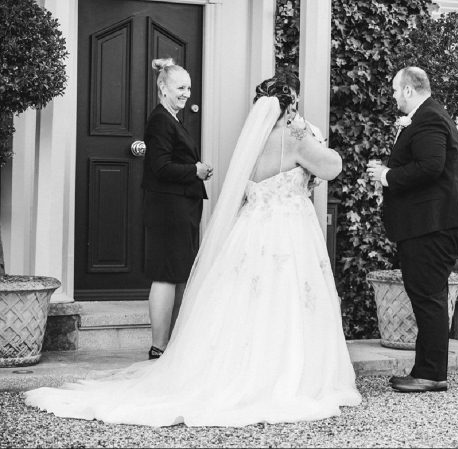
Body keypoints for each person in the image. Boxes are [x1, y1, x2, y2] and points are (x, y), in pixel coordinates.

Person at [25, 77, 361, 427]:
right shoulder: (295, 136)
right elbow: (331, 167)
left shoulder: (254, 139)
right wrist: (316, 139)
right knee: (287, 298)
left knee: (247, 301)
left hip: (252, 230)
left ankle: (232, 367)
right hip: (286, 232)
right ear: (290, 105)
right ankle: (284, 372)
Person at [367, 67, 458, 393]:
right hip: (431, 223)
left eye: (397, 90)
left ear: (410, 90)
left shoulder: (428, 118)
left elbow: (430, 166)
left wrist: (386, 175)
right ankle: (427, 370)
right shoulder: (428, 115)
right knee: (428, 296)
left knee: (428, 298)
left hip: (434, 225)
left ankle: (430, 374)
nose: (394, 96)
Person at [141, 58, 212, 361]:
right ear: (163, 87)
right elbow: (160, 166)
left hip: (181, 206)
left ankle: (172, 343)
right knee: (166, 274)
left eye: (189, 88)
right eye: (181, 87)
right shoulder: (160, 119)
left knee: (180, 273)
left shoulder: (172, 118)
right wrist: (194, 170)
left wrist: (195, 172)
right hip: (168, 207)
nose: (186, 93)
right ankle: (159, 347)